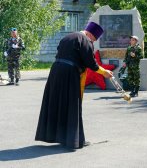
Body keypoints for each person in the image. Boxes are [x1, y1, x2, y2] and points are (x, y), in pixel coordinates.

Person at [35, 22, 113, 150]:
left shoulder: (68, 37)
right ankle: (74, 140)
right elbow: (91, 63)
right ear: (89, 34)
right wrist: (104, 72)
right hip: (69, 73)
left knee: (57, 103)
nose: (92, 41)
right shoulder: (85, 40)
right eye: (93, 39)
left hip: (55, 71)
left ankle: (56, 136)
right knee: (72, 105)